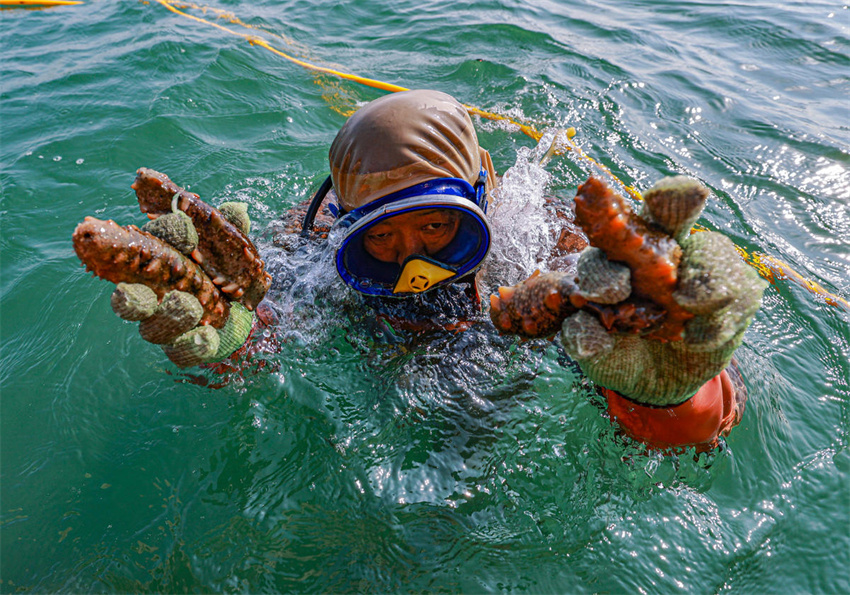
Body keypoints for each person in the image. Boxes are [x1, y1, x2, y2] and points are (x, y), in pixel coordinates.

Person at [107, 89, 767, 451]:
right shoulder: (310, 243)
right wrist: (226, 334)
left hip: (501, 359)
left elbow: (688, 429)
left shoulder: (539, 236)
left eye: (435, 226)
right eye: (383, 237)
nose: (412, 257)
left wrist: (677, 379)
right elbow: (268, 335)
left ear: (480, 197)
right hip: (381, 365)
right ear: (344, 219)